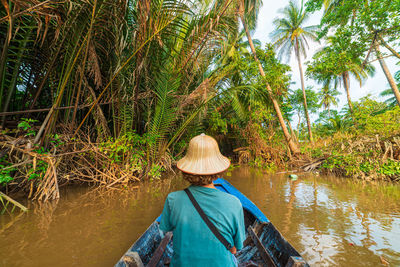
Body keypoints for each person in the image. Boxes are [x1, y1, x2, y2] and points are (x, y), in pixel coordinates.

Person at [159, 133, 245, 267]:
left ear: (187, 170)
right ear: (217, 171)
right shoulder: (234, 203)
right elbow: (235, 248)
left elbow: (166, 230)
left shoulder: (173, 199)